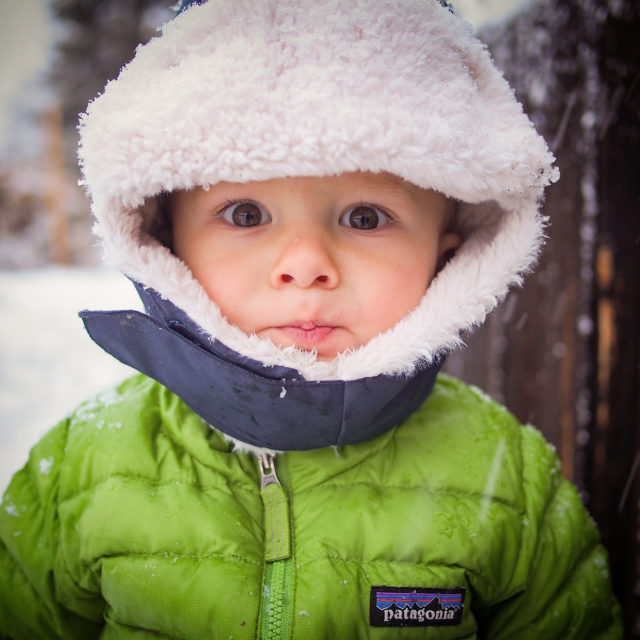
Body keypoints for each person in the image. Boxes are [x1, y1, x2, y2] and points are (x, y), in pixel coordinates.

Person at [0, 0, 622, 638]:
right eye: (245, 214)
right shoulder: (87, 465)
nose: (305, 265)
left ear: (448, 254)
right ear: (164, 241)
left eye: (365, 217)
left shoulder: (505, 478)